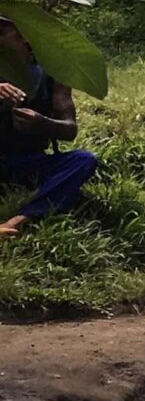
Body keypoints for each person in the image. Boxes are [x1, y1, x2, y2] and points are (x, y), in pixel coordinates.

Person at [0, 16, 96, 239]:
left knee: (84, 160)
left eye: (1, 34)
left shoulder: (53, 74)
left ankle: (20, 220)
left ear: (23, 37)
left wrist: (41, 123)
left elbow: (70, 129)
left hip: (26, 161)